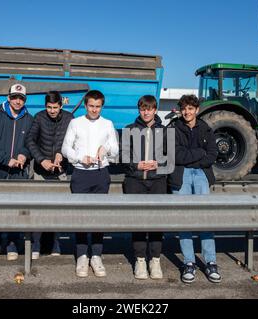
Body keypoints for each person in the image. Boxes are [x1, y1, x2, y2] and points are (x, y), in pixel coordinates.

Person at [62, 90, 119, 278]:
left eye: (98, 106)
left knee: (98, 216)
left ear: (102, 106)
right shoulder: (75, 123)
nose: (94, 109)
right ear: (85, 105)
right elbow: (65, 148)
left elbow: (115, 149)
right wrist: (80, 157)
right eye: (91, 106)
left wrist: (106, 149)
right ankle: (81, 256)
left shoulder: (108, 124)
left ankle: (96, 255)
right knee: (80, 216)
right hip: (80, 174)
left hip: (101, 174)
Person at [167, 95, 221, 284]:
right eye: (184, 109)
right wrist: (199, 153)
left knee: (204, 219)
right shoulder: (173, 128)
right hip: (181, 175)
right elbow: (176, 156)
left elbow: (213, 154)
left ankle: (211, 262)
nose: (187, 112)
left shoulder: (205, 128)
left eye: (190, 108)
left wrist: (195, 158)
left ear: (197, 110)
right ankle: (189, 263)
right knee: (184, 220)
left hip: (201, 175)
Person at [0, 83, 34, 261]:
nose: (17, 101)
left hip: (18, 171)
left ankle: (12, 242)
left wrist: (23, 155)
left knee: (15, 208)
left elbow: (30, 142)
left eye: (21, 98)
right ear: (8, 97)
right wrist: (5, 159)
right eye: (14, 97)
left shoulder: (29, 119)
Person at [122, 95, 167, 280]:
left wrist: (159, 163)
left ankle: (155, 259)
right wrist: (136, 165)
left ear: (155, 110)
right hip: (135, 180)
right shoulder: (128, 129)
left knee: (157, 221)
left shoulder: (165, 131)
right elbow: (123, 156)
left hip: (157, 181)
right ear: (139, 110)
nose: (146, 112)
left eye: (149, 108)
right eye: (143, 108)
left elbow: (171, 157)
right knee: (138, 221)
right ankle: (140, 259)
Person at [26, 91, 73, 260]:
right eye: (48, 107)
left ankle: (56, 243)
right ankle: (36, 243)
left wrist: (62, 154)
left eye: (55, 107)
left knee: (57, 211)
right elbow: (30, 141)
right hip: (41, 172)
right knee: (38, 210)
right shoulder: (39, 117)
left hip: (60, 172)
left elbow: (73, 141)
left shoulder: (69, 119)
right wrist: (42, 160)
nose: (52, 111)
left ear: (61, 106)